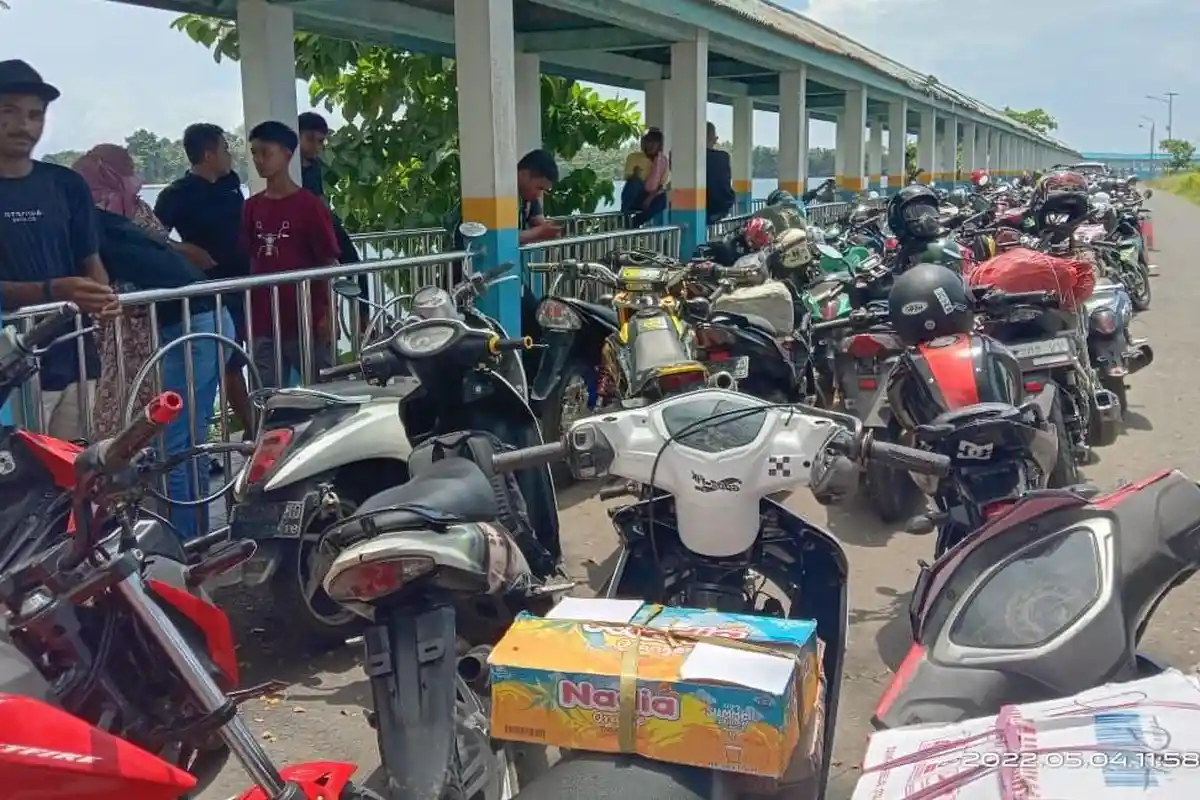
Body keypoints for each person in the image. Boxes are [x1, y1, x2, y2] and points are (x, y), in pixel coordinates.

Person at [81, 149, 232, 540]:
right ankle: (195, 534)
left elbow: (96, 280)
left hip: (194, 323)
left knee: (176, 441)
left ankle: (182, 542)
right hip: (201, 317)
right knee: (188, 437)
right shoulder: (117, 218)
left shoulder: (87, 227)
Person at [0, 60, 117, 440]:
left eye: (36, 115)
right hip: (9, 368)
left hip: (75, 357)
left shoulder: (66, 184)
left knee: (72, 474)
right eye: (9, 112)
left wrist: (104, 298)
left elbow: (91, 260)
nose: (24, 126)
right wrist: (55, 291)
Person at [154, 123, 254, 435]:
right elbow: (153, 238)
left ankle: (259, 426)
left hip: (245, 285)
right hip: (209, 295)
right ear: (208, 154)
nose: (230, 156)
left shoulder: (231, 184)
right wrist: (185, 250)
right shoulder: (176, 195)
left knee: (249, 358)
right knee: (227, 364)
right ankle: (238, 429)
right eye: (225, 149)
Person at [243, 120, 339, 389]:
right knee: (267, 396)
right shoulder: (251, 207)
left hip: (305, 315)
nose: (260, 160)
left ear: (286, 153)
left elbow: (328, 261)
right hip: (264, 319)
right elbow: (253, 256)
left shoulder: (309, 206)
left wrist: (329, 313)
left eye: (266, 152)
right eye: (254, 153)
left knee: (323, 391)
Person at [621, 129, 670, 227]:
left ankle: (635, 222)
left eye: (654, 142)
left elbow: (662, 185)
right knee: (635, 182)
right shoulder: (634, 157)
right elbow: (630, 177)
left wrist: (650, 199)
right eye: (648, 141)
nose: (650, 144)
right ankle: (624, 216)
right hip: (634, 194)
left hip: (649, 197)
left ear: (659, 144)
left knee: (664, 199)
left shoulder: (663, 161)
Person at [705, 122, 735, 224]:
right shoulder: (723, 157)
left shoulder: (692, 159)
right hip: (721, 206)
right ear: (715, 139)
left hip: (701, 207)